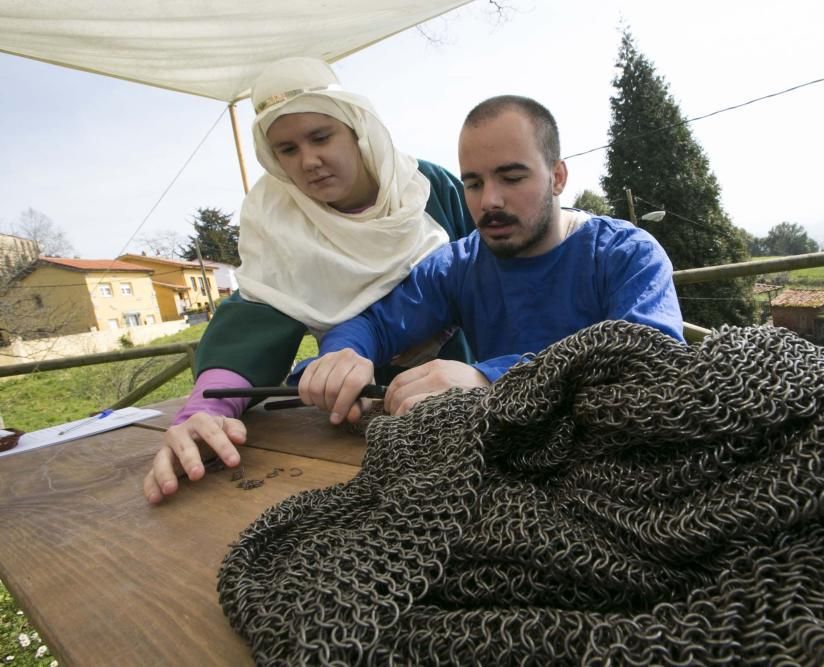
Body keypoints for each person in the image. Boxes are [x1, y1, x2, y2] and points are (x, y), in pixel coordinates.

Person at [143, 57, 475, 504]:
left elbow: (494, 276)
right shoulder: (278, 218)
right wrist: (208, 409)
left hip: (469, 394)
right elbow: (256, 314)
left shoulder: (429, 186)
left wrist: (491, 373)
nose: (309, 161)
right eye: (287, 149)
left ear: (356, 128)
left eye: (321, 137)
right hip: (355, 424)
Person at [295, 95, 685, 424]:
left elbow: (652, 364)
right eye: (473, 183)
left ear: (557, 177)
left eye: (512, 178)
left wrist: (490, 379)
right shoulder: (457, 266)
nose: (489, 201)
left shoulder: (628, 254)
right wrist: (343, 357)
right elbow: (376, 325)